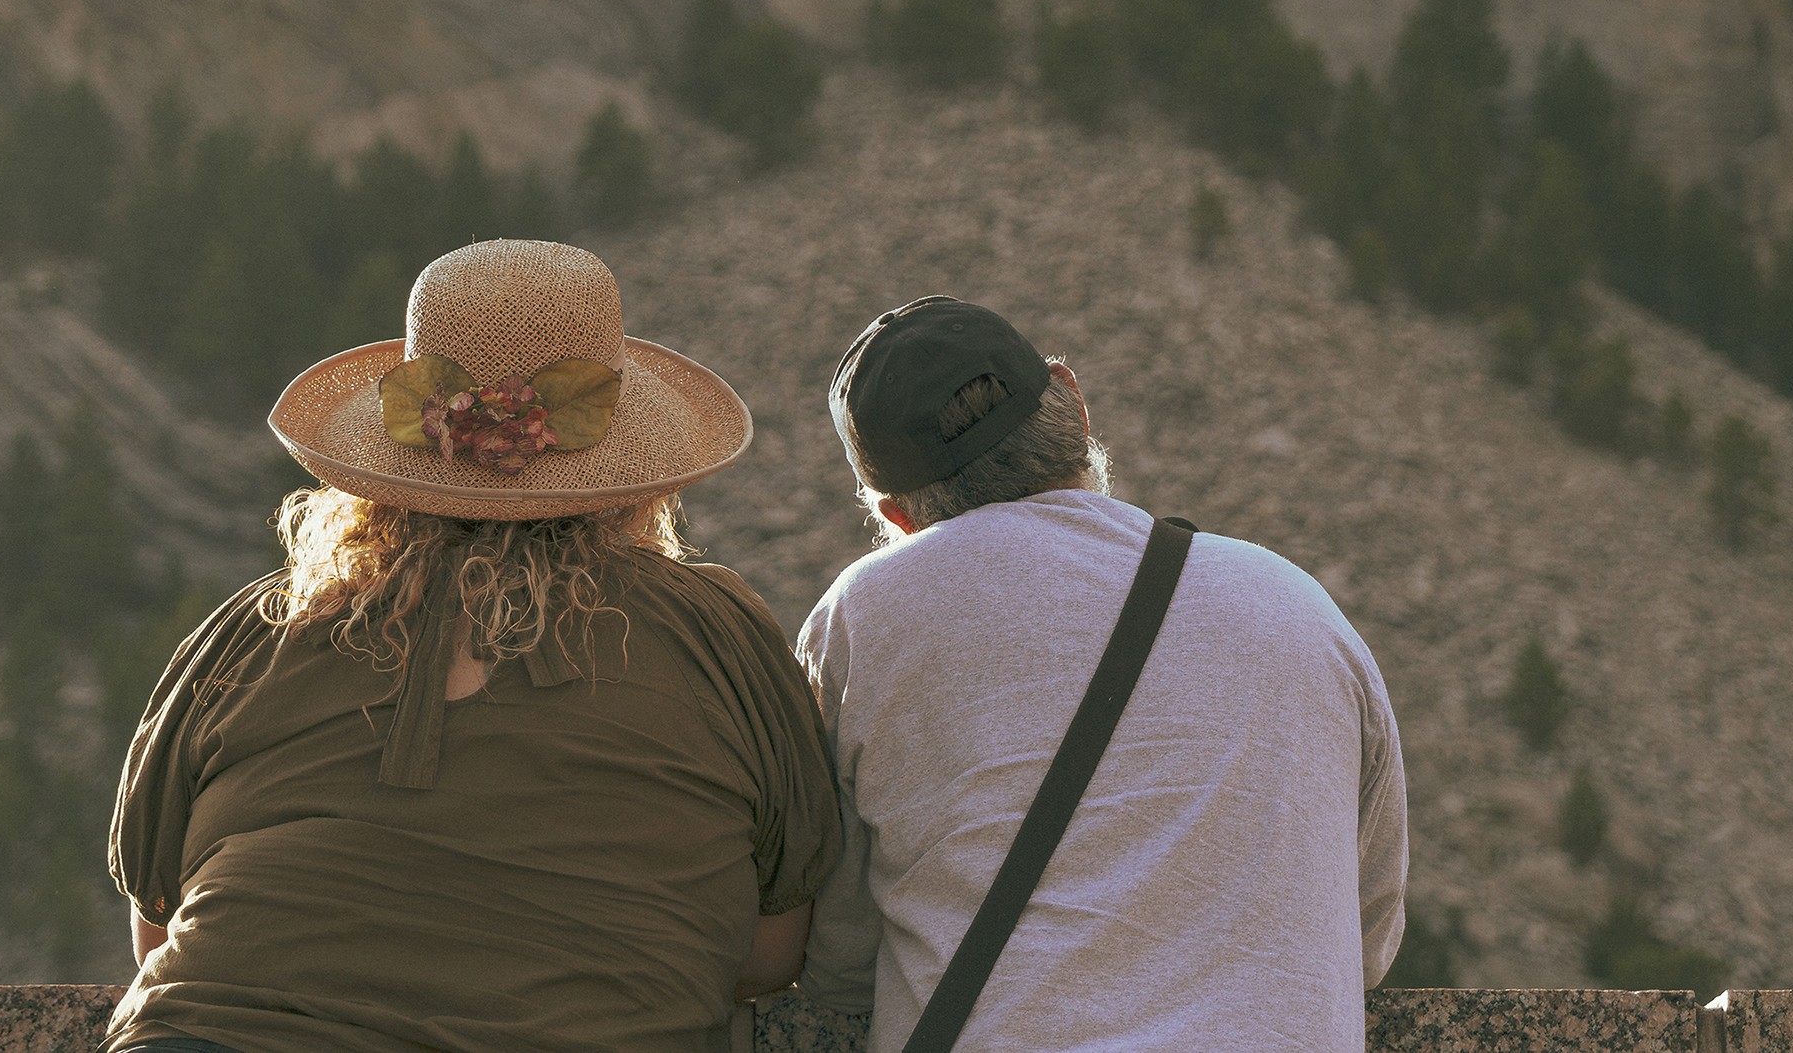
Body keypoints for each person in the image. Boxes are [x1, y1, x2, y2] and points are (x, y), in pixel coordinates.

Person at [106, 239, 836, 1053]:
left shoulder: (260, 626)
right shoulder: (717, 636)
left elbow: (157, 930)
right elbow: (772, 951)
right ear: (632, 472)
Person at [796, 296, 1408, 1050]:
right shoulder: (1298, 605)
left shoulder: (862, 618)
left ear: (896, 516)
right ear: (1073, 404)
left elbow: (837, 957)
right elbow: (1367, 933)